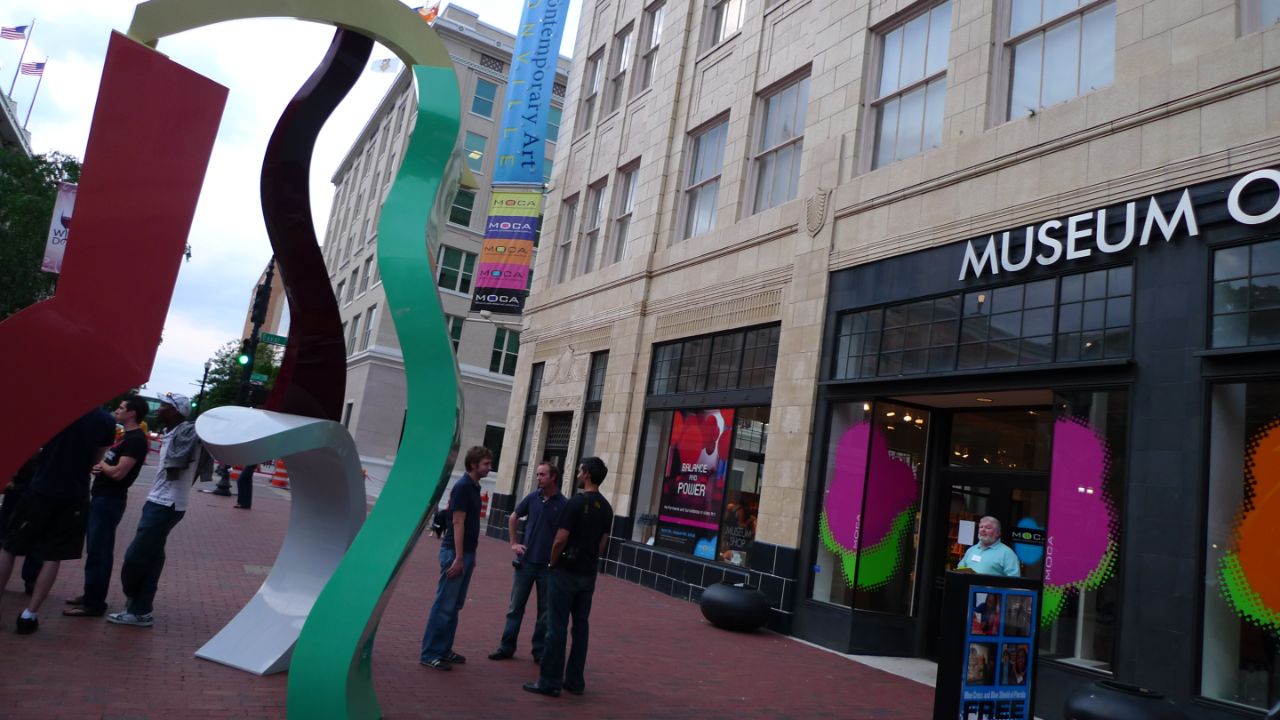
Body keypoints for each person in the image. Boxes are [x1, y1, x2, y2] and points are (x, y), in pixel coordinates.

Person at [0, 406, 115, 634]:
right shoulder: (105, 421)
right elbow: (96, 458)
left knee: (9, 547)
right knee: (53, 556)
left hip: (40, 487)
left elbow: (32, 448)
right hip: (74, 494)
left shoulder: (55, 410)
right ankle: (29, 614)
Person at [108, 393, 201, 628]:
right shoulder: (171, 434)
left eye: (164, 406)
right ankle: (141, 611)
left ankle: (133, 600)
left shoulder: (188, 434)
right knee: (152, 560)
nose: (158, 409)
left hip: (167, 505)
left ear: (176, 412)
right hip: (157, 501)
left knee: (135, 557)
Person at [523, 456, 614, 698]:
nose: (576, 474)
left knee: (556, 626)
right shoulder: (606, 507)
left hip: (565, 572)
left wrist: (553, 562)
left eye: (579, 471)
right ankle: (575, 680)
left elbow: (560, 539)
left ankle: (549, 681)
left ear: (586, 475)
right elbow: (603, 543)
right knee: (581, 627)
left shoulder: (575, 503)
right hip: (588, 573)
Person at [65, 395, 151, 618]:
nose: (118, 410)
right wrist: (102, 467)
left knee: (99, 551)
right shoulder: (126, 437)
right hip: (103, 497)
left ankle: (94, 603)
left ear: (132, 413)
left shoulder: (136, 441)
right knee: (95, 549)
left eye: (122, 408)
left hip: (110, 500)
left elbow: (119, 472)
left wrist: (102, 465)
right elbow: (112, 467)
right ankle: (90, 594)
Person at [419, 446, 493, 670]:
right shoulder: (463, 487)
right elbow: (457, 522)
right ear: (473, 465)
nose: (489, 467)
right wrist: (459, 557)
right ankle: (430, 652)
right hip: (455, 552)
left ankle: (443, 649)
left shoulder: (473, 487)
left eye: (490, 463)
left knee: (454, 605)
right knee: (445, 604)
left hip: (466, 553)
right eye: (486, 464)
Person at [488, 462, 567, 663]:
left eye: (542, 475)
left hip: (548, 567)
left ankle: (538, 651)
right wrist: (514, 543)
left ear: (553, 477)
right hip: (526, 563)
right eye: (538, 474)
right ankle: (506, 646)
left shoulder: (563, 504)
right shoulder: (533, 498)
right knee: (515, 607)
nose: (538, 478)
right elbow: (513, 517)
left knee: (545, 611)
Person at [1, 453, 46, 594]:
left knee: (34, 533)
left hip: (32, 484)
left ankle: (32, 579)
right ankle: (31, 579)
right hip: (23, 484)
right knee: (8, 531)